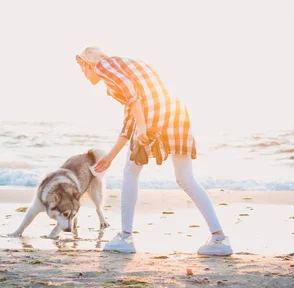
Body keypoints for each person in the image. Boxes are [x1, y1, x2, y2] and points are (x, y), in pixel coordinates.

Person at [76, 46, 233, 256]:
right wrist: (111, 156)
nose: (84, 75)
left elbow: (132, 95)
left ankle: (125, 237)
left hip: (154, 115)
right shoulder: (121, 69)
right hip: (176, 115)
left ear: (88, 63)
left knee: (131, 172)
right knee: (185, 178)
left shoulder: (104, 65)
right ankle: (220, 239)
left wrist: (142, 128)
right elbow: (130, 115)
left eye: (82, 69)